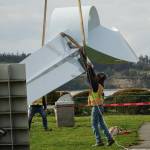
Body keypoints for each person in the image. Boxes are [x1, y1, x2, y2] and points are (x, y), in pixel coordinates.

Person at [87, 63, 114, 147]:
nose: (96, 77)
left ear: (98, 78)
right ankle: (110, 139)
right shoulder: (100, 85)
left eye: (97, 76)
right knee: (102, 124)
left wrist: (90, 69)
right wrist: (90, 68)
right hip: (100, 107)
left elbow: (91, 78)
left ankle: (99, 141)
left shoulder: (96, 86)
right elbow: (92, 77)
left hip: (96, 107)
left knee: (94, 125)